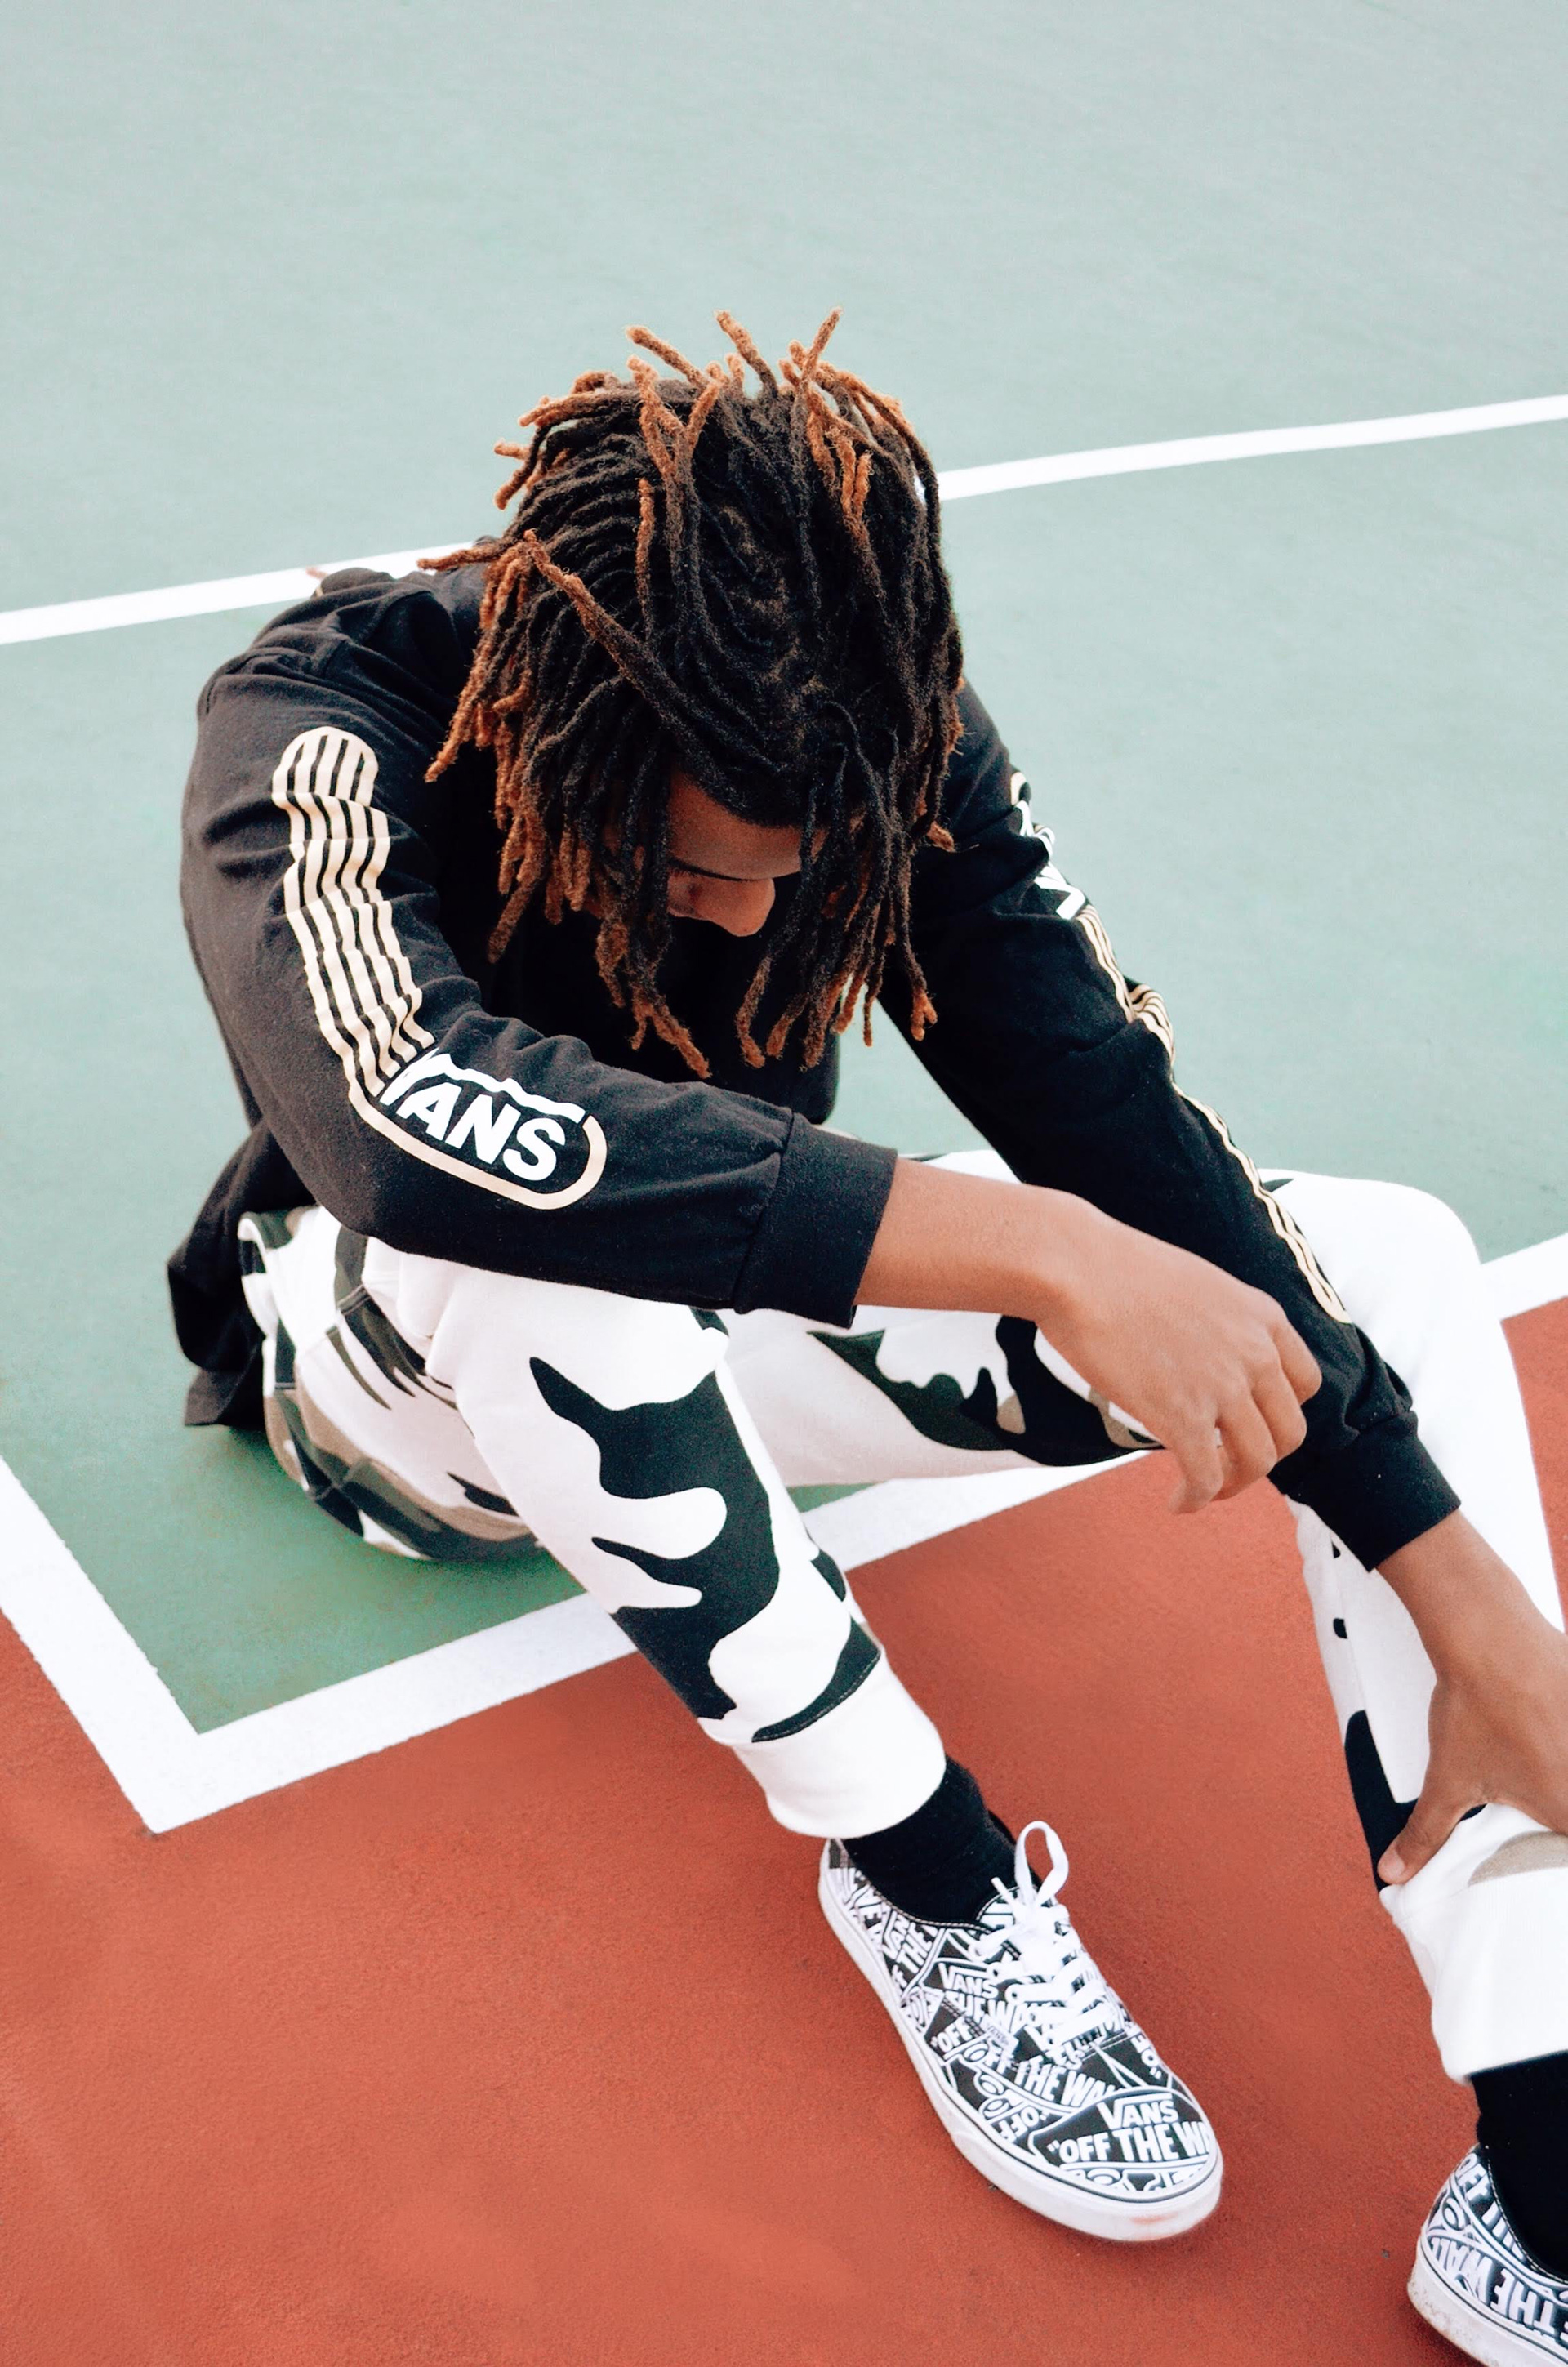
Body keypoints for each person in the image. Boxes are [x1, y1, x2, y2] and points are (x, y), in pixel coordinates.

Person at [171, 314, 1568, 2359]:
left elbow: (1103, 1102)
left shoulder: (875, 722)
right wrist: (1043, 1255)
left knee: (1389, 1260)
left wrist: (1461, 1587)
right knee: (546, 1255)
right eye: (693, 869)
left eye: (796, 881)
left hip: (744, 1320)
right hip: (402, 1392)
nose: (750, 926)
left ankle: (1543, 2093)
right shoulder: (327, 709)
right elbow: (400, 1124)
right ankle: (931, 1880)